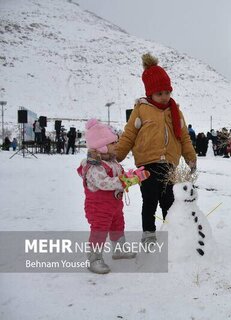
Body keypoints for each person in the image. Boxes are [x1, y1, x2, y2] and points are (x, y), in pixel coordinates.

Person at [115, 53, 197, 244]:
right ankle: (149, 235)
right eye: (159, 93)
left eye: (167, 92)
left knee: (169, 201)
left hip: (169, 166)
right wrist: (117, 155)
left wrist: (190, 157)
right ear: (150, 93)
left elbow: (184, 136)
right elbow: (129, 135)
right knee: (149, 202)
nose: (164, 97)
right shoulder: (141, 110)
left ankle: (171, 231)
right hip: (147, 166)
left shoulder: (175, 111)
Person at [77, 119, 149, 274]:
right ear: (101, 146)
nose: (116, 146)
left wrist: (131, 175)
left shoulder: (112, 161)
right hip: (98, 207)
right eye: (113, 143)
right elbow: (104, 183)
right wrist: (124, 181)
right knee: (100, 230)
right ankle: (94, 258)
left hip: (114, 205)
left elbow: (119, 177)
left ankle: (119, 249)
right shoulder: (94, 166)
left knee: (118, 225)